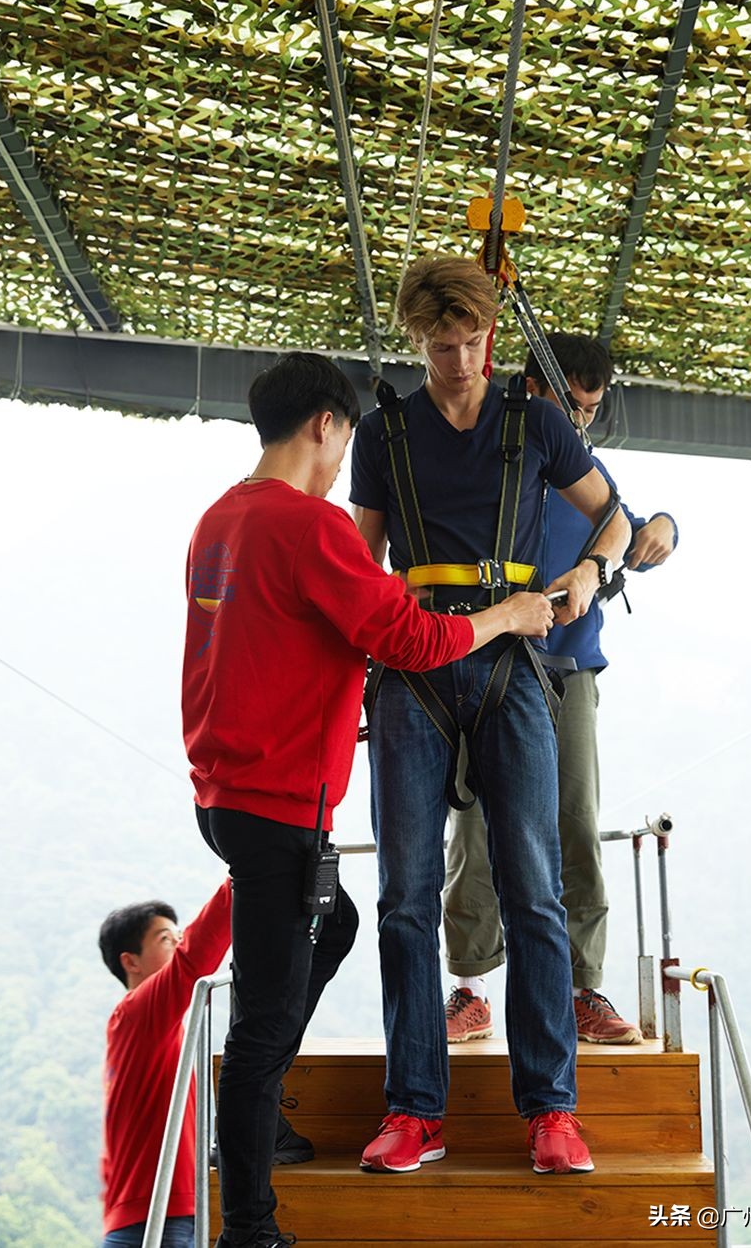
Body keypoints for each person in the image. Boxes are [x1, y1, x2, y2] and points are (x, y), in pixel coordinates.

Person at [181, 351, 556, 1248]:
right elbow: (406, 634)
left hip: (225, 790)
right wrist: (506, 615)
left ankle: (258, 1101)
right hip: (277, 801)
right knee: (266, 1014)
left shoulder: (218, 519)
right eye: (346, 434)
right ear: (325, 425)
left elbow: (267, 638)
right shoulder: (310, 527)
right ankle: (252, 1224)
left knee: (339, 923)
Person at [350, 258, 631, 1177]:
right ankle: (412, 1113)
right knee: (403, 897)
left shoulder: (537, 421)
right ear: (416, 340)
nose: (458, 359)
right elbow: (364, 565)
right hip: (412, 669)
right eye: (440, 346)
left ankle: (551, 1111)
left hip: (515, 663)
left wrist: (588, 575)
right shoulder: (381, 433)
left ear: (490, 335)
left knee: (534, 890)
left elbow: (614, 518)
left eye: (471, 341)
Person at [442, 332, 679, 1048]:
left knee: (573, 820)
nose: (578, 423)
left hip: (569, 670)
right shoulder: (492, 455)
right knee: (476, 824)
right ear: (533, 390)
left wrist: (666, 525)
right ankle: (470, 988)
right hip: (486, 665)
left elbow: (631, 532)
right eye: (569, 406)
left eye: (590, 410)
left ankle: (582, 989)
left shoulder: (587, 470)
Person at [98, 883, 232, 1248]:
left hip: (144, 1214)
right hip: (158, 1218)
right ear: (131, 961)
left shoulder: (145, 1028)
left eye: (178, 935)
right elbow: (192, 962)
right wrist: (242, 878)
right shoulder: (138, 1014)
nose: (177, 942)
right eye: (165, 938)